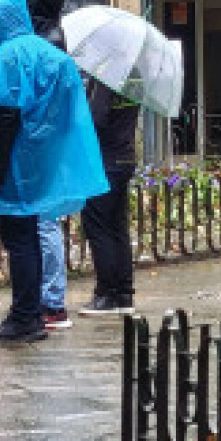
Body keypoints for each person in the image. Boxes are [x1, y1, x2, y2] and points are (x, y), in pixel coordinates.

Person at [0, 0, 107, 344]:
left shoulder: (8, 57)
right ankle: (32, 311)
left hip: (13, 164)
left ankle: (25, 315)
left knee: (19, 238)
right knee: (31, 234)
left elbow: (4, 114)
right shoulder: (52, 55)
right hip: (41, 162)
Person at [16, 0, 73, 331]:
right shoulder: (49, 35)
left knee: (44, 222)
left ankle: (52, 299)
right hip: (45, 140)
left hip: (43, 143)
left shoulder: (47, 40)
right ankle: (47, 296)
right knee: (42, 221)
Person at [79, 77, 140, 315]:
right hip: (124, 157)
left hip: (104, 161)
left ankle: (106, 293)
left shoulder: (106, 81)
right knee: (117, 226)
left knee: (98, 226)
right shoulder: (135, 80)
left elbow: (95, 119)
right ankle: (124, 293)